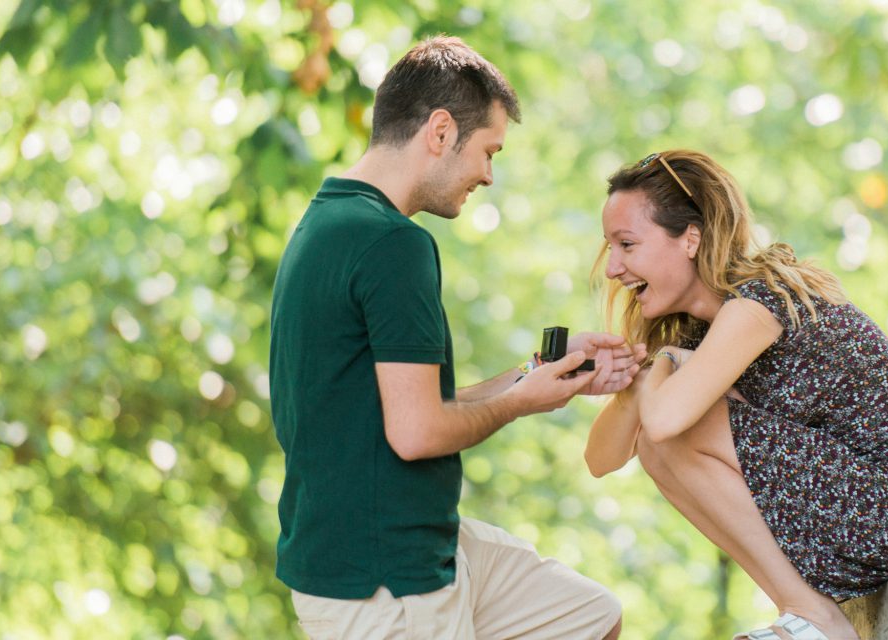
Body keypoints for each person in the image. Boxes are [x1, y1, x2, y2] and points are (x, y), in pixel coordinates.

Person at [269, 36, 638, 639]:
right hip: (385, 583)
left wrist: (537, 372)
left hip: (412, 543)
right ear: (440, 131)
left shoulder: (328, 219)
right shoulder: (394, 244)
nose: (488, 175)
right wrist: (523, 403)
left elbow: (403, 406)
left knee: (592, 618)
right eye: (488, 151)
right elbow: (416, 434)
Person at [584, 150, 888, 640]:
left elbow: (662, 424)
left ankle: (813, 618)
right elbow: (600, 460)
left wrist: (662, 366)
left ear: (690, 240)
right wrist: (637, 384)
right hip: (855, 507)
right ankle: (807, 612)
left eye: (627, 245)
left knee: (670, 432)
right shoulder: (700, 337)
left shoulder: (755, 303)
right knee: (661, 439)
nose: (613, 268)